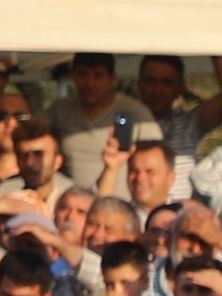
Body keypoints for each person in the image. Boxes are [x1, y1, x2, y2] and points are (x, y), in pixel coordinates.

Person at [45, 53, 159, 197]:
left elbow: (157, 161)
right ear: (72, 76)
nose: (90, 83)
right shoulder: (59, 110)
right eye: (83, 74)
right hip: (73, 208)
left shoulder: (136, 112)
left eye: (98, 75)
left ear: (111, 79)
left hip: (119, 207)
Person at [136, 55, 222, 201]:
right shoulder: (123, 123)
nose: (157, 90)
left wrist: (214, 44)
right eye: (150, 81)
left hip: (178, 218)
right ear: (139, 84)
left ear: (180, 87)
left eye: (166, 83)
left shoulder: (190, 122)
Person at [99, 141, 176, 226]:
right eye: (134, 171)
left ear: (171, 178)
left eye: (150, 172)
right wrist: (111, 169)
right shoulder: (121, 219)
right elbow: (102, 213)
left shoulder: (182, 217)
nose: (140, 178)